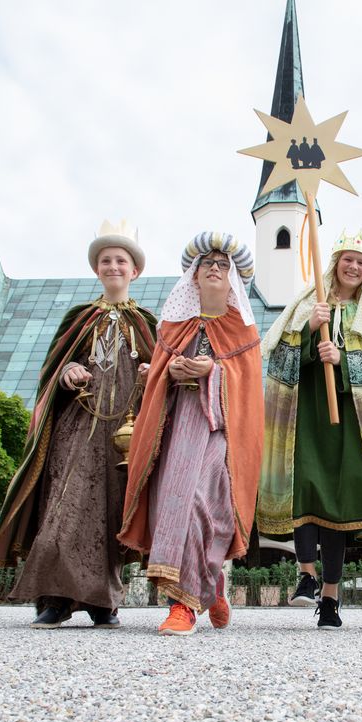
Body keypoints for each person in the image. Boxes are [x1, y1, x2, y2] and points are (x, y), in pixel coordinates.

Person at [0, 221, 157, 628]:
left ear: (134, 271)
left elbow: (162, 376)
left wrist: (150, 372)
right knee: (65, 503)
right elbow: (51, 370)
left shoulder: (147, 322)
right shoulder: (79, 317)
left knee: (112, 513)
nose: (113, 266)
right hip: (77, 427)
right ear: (97, 269)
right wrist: (67, 370)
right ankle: (54, 598)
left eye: (121, 261)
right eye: (106, 261)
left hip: (123, 435)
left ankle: (101, 602)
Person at [118, 232, 264, 636]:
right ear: (194, 277)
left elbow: (250, 391)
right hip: (177, 426)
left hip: (220, 431)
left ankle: (186, 600)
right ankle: (201, 591)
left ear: (233, 278)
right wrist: (170, 371)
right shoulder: (172, 326)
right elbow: (155, 380)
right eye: (207, 265)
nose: (214, 269)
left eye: (222, 265)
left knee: (202, 503)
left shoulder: (243, 331)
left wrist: (212, 371)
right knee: (175, 505)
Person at [257, 231, 362, 629]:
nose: (353, 266)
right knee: (306, 489)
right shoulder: (308, 303)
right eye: (347, 259)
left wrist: (343, 360)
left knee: (337, 506)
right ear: (335, 262)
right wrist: (310, 332)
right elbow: (280, 360)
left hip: (349, 419)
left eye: (361, 262)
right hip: (307, 413)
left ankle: (330, 599)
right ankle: (307, 575)